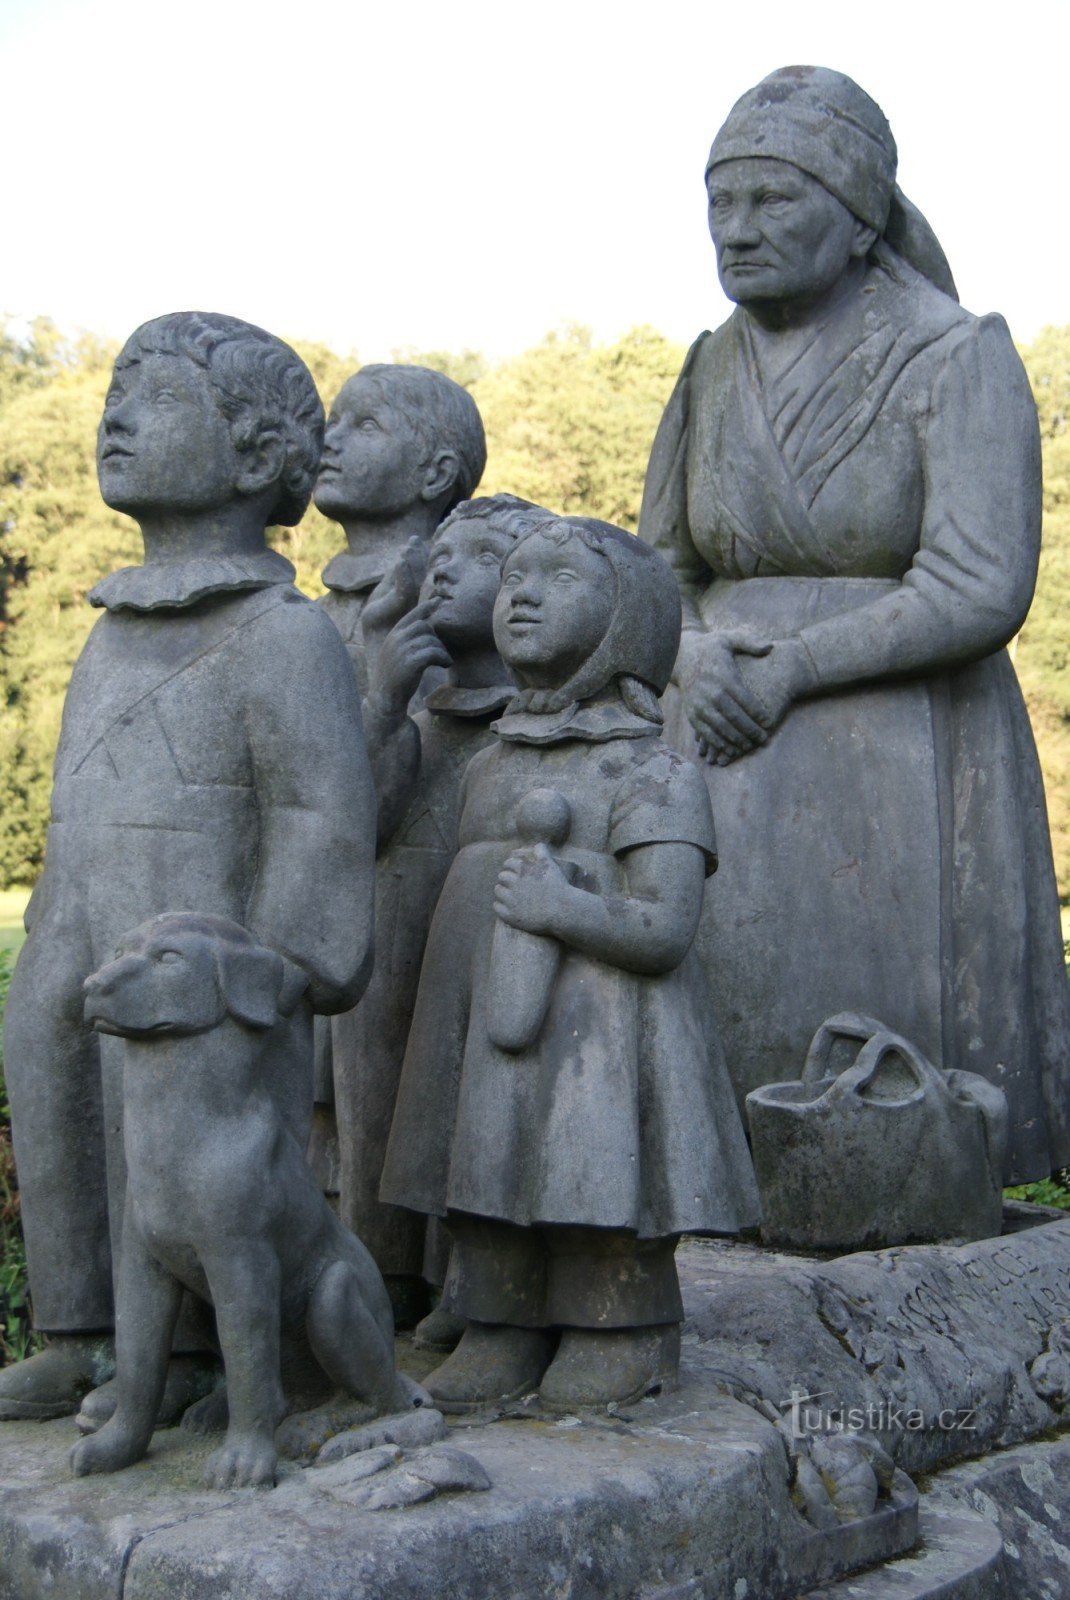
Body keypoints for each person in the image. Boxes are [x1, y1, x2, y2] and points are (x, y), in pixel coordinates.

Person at [638, 65, 1070, 1182]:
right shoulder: (707, 364)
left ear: (858, 211)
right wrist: (690, 655)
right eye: (719, 204)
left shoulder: (953, 354)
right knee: (721, 1035)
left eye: (772, 201)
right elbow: (650, 574)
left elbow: (978, 584)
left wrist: (788, 670)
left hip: (904, 751)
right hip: (719, 735)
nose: (736, 231)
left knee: (889, 1057)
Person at [0, 312, 376, 1421]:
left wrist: (279, 962)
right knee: (55, 1076)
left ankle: (213, 1355)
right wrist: (58, 920)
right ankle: (82, 1333)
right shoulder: (110, 633)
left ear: (258, 456)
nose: (114, 414)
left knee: (192, 1151)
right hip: (80, 917)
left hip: (206, 964)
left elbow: (317, 816)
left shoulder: (282, 636)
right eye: (114, 389)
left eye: (152, 395)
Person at [381, 517, 760, 1410]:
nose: (523, 593)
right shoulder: (491, 764)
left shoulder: (652, 770)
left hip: (604, 1029)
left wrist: (565, 910)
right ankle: (498, 1326)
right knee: (487, 1165)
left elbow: (666, 927)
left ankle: (616, 1325)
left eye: (559, 576)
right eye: (514, 576)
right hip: (489, 1020)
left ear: (629, 613)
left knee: (596, 1167)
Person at [334, 493, 549, 1338]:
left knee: (476, 1097)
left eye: (484, 556)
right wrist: (383, 701)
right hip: (391, 948)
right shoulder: (416, 715)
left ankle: (477, 1282)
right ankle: (378, 1274)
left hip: (490, 951)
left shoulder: (541, 728)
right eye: (443, 555)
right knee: (379, 1104)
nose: (446, 567)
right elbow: (361, 821)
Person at [308, 364, 487, 1197]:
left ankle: (390, 1273)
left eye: (362, 425)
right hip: (320, 878)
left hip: (410, 876)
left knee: (388, 1068)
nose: (328, 439)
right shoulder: (311, 606)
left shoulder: (459, 594)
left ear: (436, 474)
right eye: (330, 421)